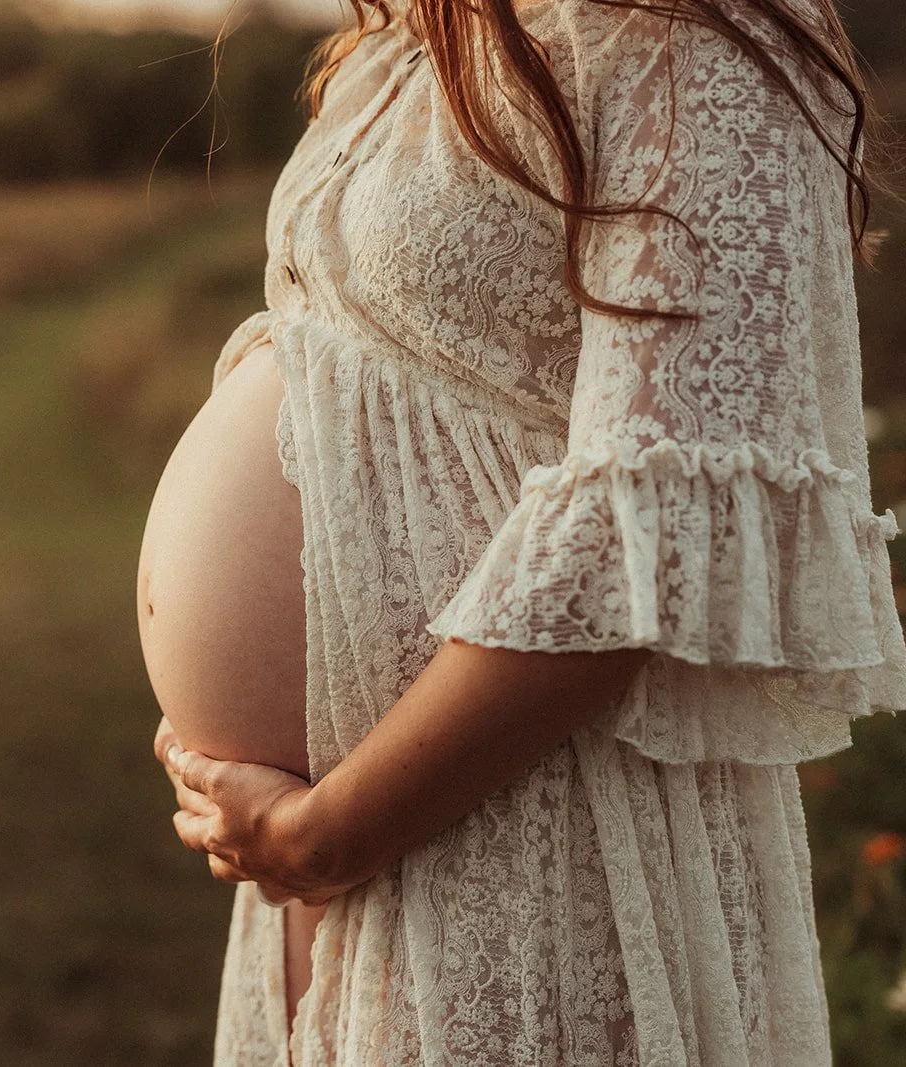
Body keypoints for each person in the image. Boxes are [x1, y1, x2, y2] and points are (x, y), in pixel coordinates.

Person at [152, 0, 906, 1062]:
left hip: (526, 833)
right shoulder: (417, 37)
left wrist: (325, 833)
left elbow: (646, 523)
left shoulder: (698, 36)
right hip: (335, 852)